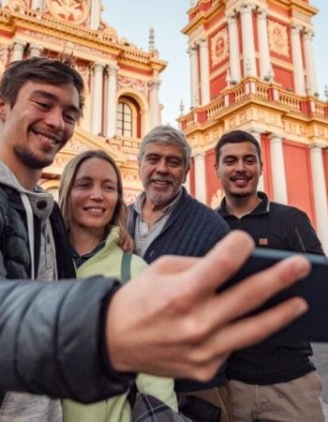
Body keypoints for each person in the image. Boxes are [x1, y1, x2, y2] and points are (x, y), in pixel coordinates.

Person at [0, 58, 310, 421]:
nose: (58, 122)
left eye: (70, 114)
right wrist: (105, 326)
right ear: (0, 106)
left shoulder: (46, 218)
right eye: (43, 104)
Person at [212, 130, 326, 422]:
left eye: (249, 160)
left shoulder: (291, 221)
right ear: (217, 169)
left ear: (261, 168)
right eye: (231, 161)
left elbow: (320, 286)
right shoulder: (209, 226)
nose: (240, 168)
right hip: (229, 384)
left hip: (291, 382)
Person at [58, 150, 178, 421]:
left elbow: (154, 372)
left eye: (108, 187)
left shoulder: (133, 271)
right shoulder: (41, 261)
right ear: (67, 191)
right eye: (85, 184)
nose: (97, 195)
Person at [127, 125, 233, 421]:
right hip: (129, 383)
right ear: (140, 165)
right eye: (153, 159)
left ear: (186, 171)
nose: (162, 169)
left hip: (196, 389)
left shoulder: (211, 227)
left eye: (173, 162)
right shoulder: (119, 220)